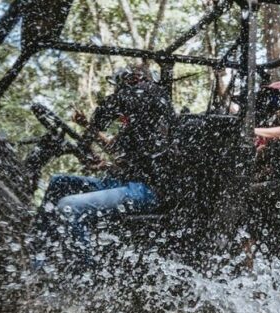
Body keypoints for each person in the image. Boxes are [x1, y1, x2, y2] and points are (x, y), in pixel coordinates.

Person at [35, 66, 176, 265]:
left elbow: (145, 163)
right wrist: (102, 160)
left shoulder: (156, 114)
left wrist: (88, 137)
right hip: (120, 183)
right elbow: (117, 151)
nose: (119, 92)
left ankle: (85, 276)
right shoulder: (134, 125)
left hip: (145, 190)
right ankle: (38, 256)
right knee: (59, 182)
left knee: (68, 206)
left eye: (123, 86)